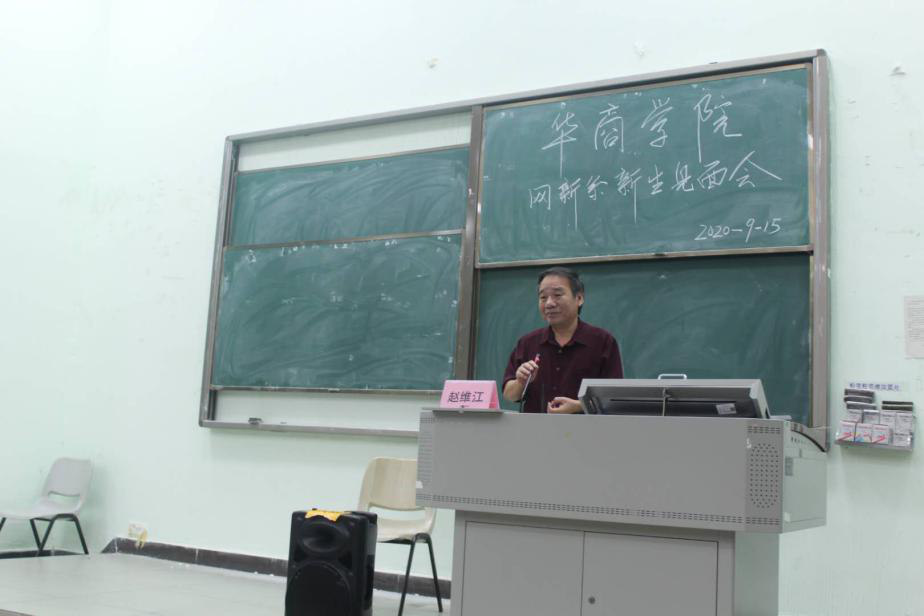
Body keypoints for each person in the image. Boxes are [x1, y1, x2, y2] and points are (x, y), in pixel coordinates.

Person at [502, 267, 623, 413]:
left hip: (586, 427)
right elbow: (509, 395)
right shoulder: (527, 343)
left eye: (557, 295)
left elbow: (613, 398)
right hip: (535, 427)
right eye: (543, 297)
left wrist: (579, 406)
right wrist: (521, 382)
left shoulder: (603, 342)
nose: (549, 303)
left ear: (579, 298)